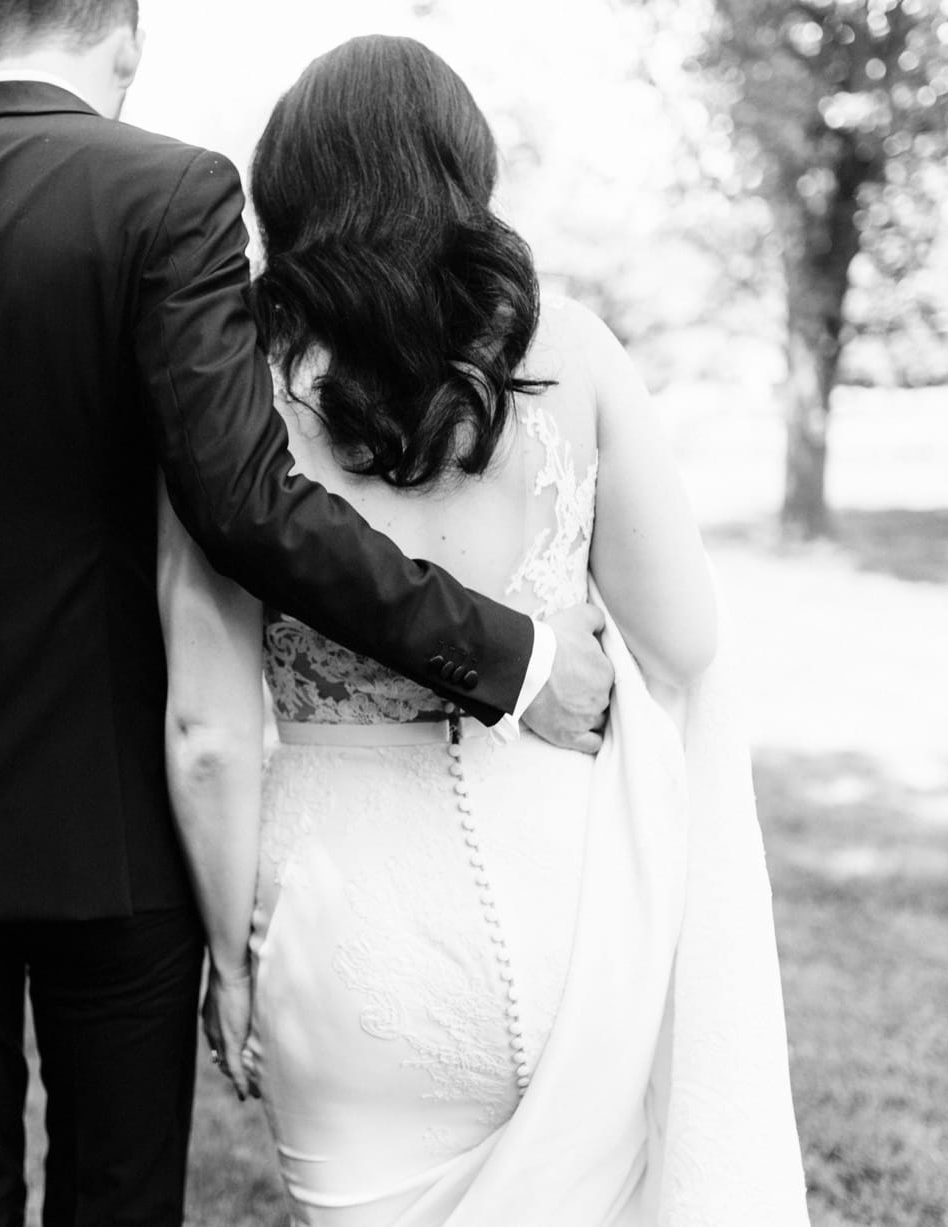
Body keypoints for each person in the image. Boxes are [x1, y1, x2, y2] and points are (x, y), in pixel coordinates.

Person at [0, 4, 616, 1225]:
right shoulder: (169, 196)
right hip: (111, 812)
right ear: (125, 41)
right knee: (119, 1202)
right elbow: (245, 503)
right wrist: (506, 651)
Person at [165, 36, 810, 1226]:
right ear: (465, 175)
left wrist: (228, 959)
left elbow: (205, 731)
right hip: (568, 894)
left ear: (283, 189)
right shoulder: (569, 350)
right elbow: (687, 636)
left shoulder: (235, 394)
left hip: (341, 928)